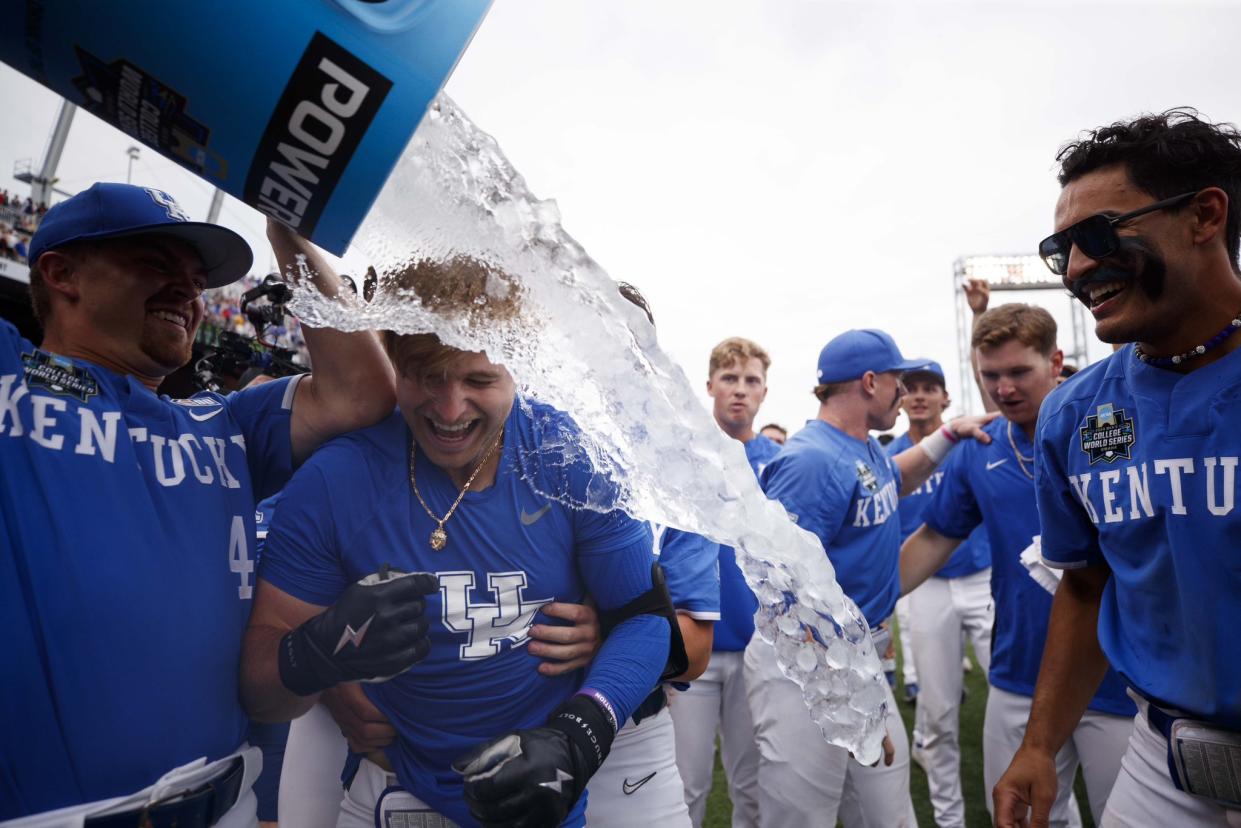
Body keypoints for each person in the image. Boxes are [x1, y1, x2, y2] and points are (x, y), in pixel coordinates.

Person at [0, 182, 396, 824]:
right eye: (157, 264)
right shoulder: (11, 383)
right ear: (61, 272)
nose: (189, 292)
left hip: (226, 802)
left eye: (195, 277)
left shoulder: (222, 423)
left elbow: (364, 392)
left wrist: (285, 229)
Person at [240, 322, 671, 827]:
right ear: (393, 363)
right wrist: (315, 653)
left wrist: (577, 735)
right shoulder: (336, 477)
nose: (449, 409)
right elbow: (259, 691)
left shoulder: (572, 457)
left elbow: (645, 619)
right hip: (394, 786)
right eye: (427, 376)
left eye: (479, 381)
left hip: (543, 802)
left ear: (518, 364)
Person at [994, 110, 1241, 827]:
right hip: (1162, 766)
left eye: (1098, 235)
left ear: (1203, 215)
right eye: (1059, 249)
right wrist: (1039, 745)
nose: (1074, 270)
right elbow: (1084, 581)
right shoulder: (1073, 415)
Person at [746, 328, 994, 828]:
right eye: (898, 381)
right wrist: (847, 697)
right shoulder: (810, 460)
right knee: (801, 817)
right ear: (869, 382)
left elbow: (890, 481)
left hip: (859, 660)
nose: (904, 393)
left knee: (889, 813)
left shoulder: (861, 447)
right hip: (807, 671)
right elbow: (785, 593)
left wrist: (949, 435)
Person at [899, 304, 1135, 828]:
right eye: (991, 376)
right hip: (1016, 673)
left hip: (1116, 676)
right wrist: (862, 601)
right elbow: (936, 537)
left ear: (1055, 361)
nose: (1003, 388)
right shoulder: (978, 449)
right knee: (1020, 819)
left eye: (1018, 372)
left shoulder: (1106, 430)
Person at [670, 337, 780, 828]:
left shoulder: (779, 461)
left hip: (758, 647)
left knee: (752, 786)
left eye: (751, 380)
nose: (740, 390)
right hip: (695, 643)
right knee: (684, 785)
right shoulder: (684, 455)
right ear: (710, 385)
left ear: (764, 391)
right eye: (730, 379)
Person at [884, 359, 993, 828]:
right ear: (902, 397)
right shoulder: (888, 454)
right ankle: (950, 820)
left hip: (982, 578)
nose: (922, 396)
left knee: (1016, 699)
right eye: (913, 388)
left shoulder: (968, 439)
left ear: (946, 398)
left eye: (932, 388)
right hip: (925, 588)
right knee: (939, 711)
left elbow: (1000, 407)